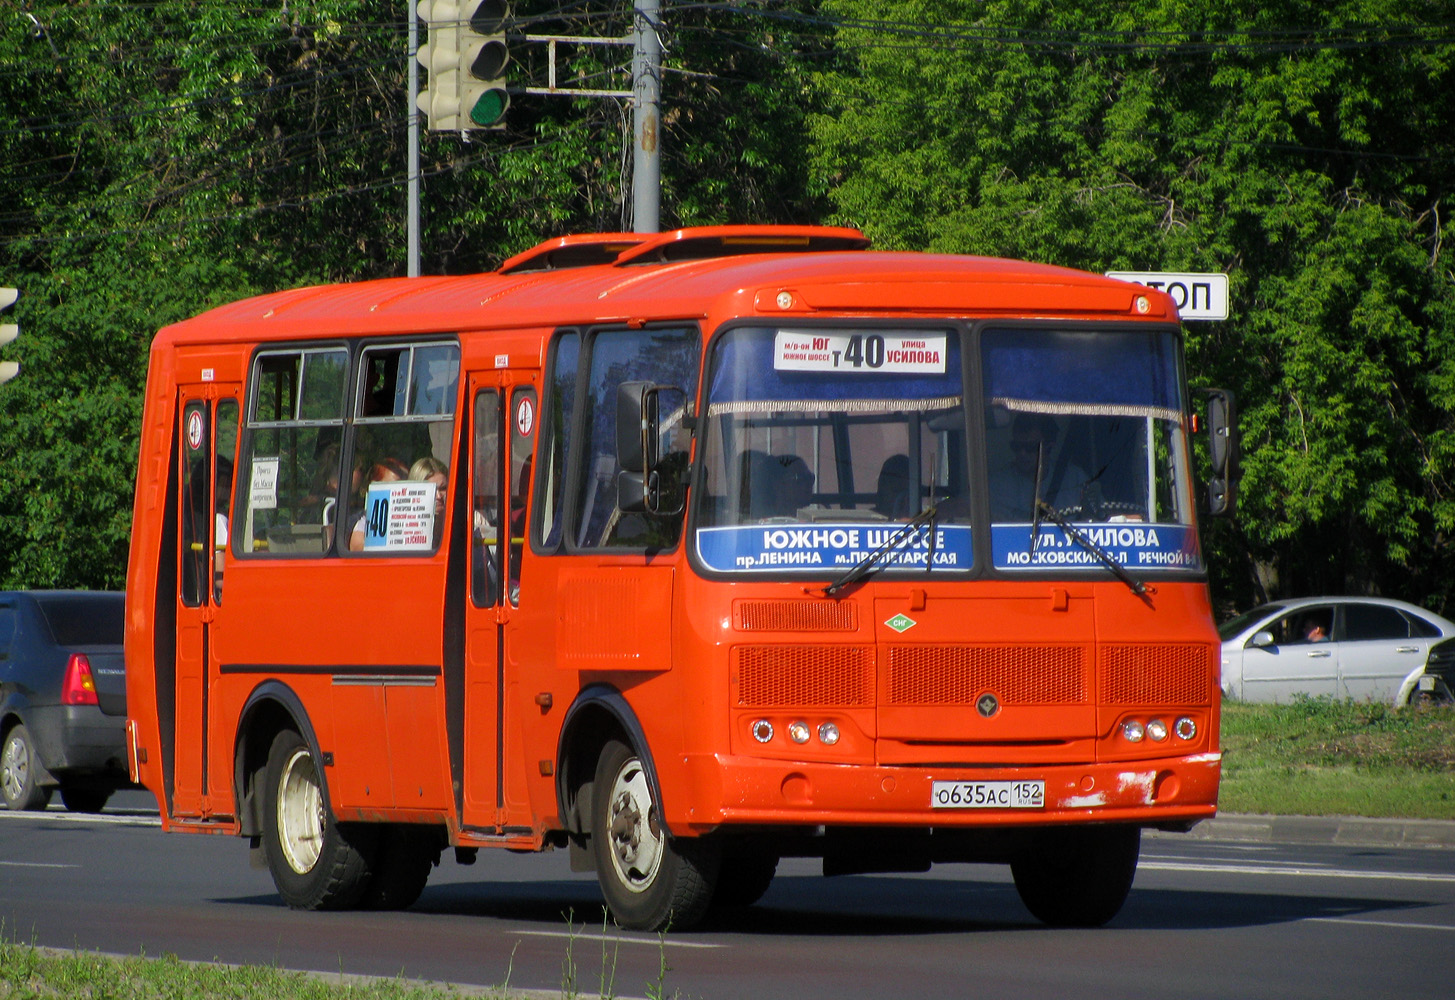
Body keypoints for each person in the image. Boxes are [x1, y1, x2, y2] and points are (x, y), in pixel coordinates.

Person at [988, 412, 1084, 521]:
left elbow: (1099, 517)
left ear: (1049, 447)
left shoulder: (1075, 479)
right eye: (1016, 447)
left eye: (1030, 447)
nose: (1022, 453)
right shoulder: (996, 486)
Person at [348, 457, 409, 551]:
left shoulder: (413, 520)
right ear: (375, 488)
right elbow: (358, 549)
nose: (401, 492)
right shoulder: (365, 522)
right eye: (394, 487)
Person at [409, 456, 449, 546]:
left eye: (443, 488)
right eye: (431, 490)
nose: (438, 496)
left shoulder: (473, 519)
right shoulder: (404, 528)